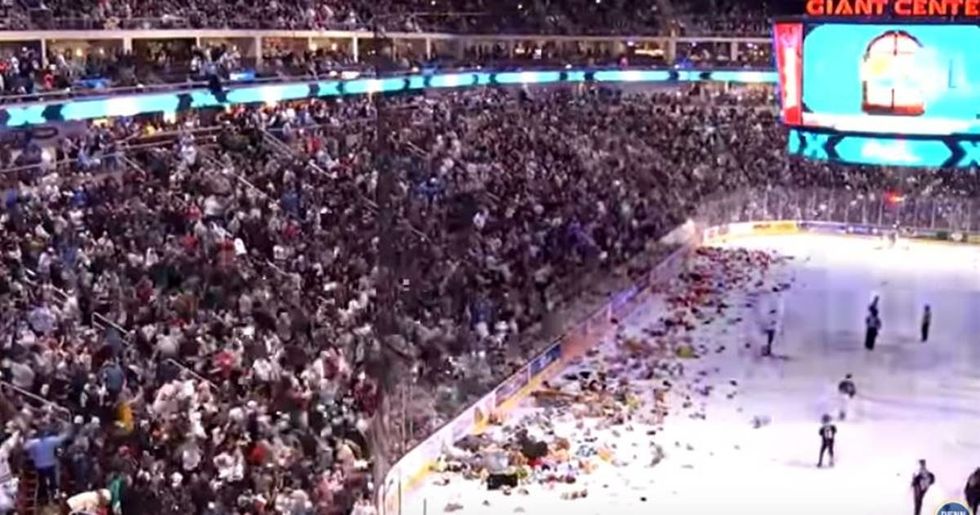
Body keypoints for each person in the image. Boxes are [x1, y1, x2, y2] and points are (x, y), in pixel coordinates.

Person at [24, 425, 73, 504]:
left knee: (41, 482)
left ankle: (44, 498)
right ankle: (54, 496)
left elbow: (25, 447)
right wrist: (69, 428)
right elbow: (63, 438)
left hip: (39, 466)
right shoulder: (51, 441)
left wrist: (28, 436)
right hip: (50, 465)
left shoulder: (33, 443)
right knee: (53, 481)